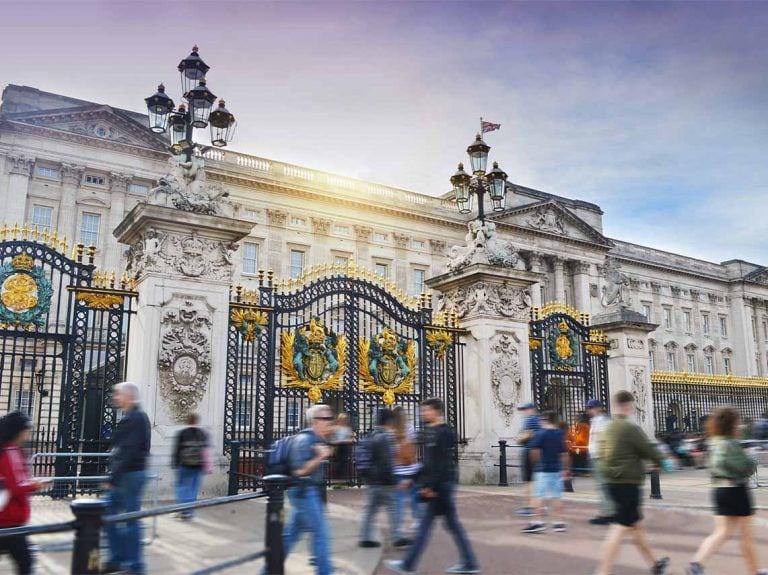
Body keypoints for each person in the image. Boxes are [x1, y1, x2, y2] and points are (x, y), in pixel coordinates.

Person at [385, 397, 480, 575]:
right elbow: (428, 463)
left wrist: (431, 487)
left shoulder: (442, 433)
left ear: (435, 411)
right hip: (441, 486)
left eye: (426, 410)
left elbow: (442, 465)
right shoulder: (433, 431)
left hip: (441, 488)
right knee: (448, 526)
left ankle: (408, 565)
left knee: (428, 527)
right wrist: (412, 479)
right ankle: (469, 562)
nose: (423, 414)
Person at [595, 390, 669, 575]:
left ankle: (655, 564)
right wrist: (663, 461)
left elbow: (601, 455)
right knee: (620, 528)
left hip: (612, 482)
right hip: (627, 484)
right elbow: (648, 450)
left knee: (635, 526)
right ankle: (603, 571)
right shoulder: (630, 428)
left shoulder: (608, 428)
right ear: (627, 406)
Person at [686, 406, 767, 575]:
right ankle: (753, 572)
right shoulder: (731, 444)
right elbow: (747, 466)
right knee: (746, 535)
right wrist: (752, 458)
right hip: (736, 490)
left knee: (722, 532)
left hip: (718, 490)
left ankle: (697, 563)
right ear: (732, 424)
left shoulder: (714, 442)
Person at [102, 382, 151, 575]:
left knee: (128, 519)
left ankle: (132, 564)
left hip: (129, 475)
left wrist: (113, 477)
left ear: (129, 396)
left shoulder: (136, 418)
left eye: (118, 394)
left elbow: (128, 450)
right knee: (114, 515)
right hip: (128, 473)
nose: (115, 398)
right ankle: (120, 559)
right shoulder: (133, 416)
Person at [282, 404, 335, 575]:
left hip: (308, 492)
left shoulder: (317, 440)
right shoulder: (304, 440)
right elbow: (299, 471)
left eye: (330, 418)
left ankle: (268, 568)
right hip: (304, 493)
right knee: (321, 534)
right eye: (326, 419)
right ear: (315, 421)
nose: (330, 422)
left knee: (291, 536)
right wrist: (320, 456)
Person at [0, 412, 47, 575]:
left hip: (6, 516)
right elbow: (16, 485)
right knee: (25, 562)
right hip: (10, 518)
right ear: (19, 431)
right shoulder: (11, 451)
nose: (29, 434)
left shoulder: (6, 449)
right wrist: (35, 485)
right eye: (28, 430)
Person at [359, 409, 410, 548]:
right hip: (384, 482)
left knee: (370, 511)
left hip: (373, 481)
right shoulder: (385, 438)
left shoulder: (372, 435)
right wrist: (394, 481)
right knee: (392, 508)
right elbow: (387, 462)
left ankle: (364, 537)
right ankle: (397, 537)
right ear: (388, 422)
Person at [521, 410, 569, 533]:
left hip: (543, 469)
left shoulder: (541, 433)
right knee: (557, 497)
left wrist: (535, 464)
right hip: (556, 470)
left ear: (546, 420)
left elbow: (534, 451)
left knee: (538, 496)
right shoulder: (559, 434)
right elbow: (564, 454)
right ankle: (559, 523)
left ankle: (537, 522)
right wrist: (566, 469)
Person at [172, 413, 208, 520]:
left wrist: (175, 463)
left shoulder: (182, 433)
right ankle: (190, 512)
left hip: (184, 465)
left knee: (181, 487)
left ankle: (182, 509)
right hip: (198, 466)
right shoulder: (202, 433)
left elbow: (177, 450)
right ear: (197, 421)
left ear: (188, 421)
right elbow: (205, 451)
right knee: (193, 489)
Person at [392, 406, 422, 534]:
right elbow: (413, 448)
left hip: (397, 470)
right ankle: (417, 519)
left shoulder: (391, 431)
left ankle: (399, 526)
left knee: (399, 500)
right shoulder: (410, 428)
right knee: (414, 496)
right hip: (411, 468)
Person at [586, 399, 614, 525]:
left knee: (604, 486)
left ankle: (608, 513)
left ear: (598, 408)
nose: (589, 410)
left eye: (591, 408)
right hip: (596, 457)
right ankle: (608, 511)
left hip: (601, 458)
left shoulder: (604, 421)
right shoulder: (595, 421)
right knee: (602, 486)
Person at [515, 402, 541, 516]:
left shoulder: (530, 420)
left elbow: (527, 435)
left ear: (531, 410)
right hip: (536, 451)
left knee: (528, 480)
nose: (524, 412)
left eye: (525, 409)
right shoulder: (538, 420)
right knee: (533, 480)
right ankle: (535, 505)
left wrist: (519, 439)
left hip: (528, 451)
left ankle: (529, 506)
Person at [331, 413, 356, 482]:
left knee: (344, 462)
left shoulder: (347, 428)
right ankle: (336, 479)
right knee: (337, 462)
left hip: (345, 446)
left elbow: (352, 437)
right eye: (342, 419)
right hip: (338, 446)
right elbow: (332, 437)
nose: (344, 421)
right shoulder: (336, 428)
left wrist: (351, 438)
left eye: (345, 419)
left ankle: (344, 478)